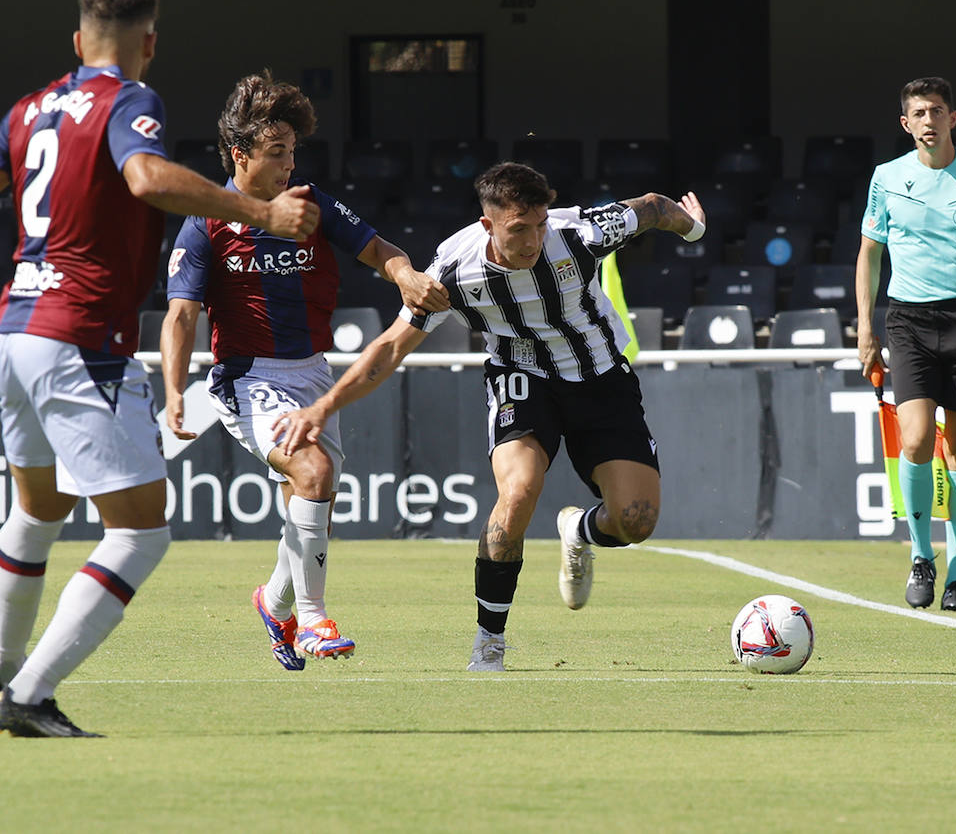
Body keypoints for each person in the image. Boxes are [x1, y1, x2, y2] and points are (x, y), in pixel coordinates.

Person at [0, 0, 319, 737]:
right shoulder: (129, 101)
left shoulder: (29, 109)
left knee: (39, 509)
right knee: (141, 531)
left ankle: (0, 672)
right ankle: (30, 696)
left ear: (77, 42)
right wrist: (259, 211)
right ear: (149, 43)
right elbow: (144, 178)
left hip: (10, 333)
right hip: (80, 337)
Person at [272, 161, 705, 671]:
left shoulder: (580, 233)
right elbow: (390, 348)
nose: (533, 240)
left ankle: (579, 532)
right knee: (518, 491)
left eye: (540, 224)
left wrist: (693, 226)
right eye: (519, 229)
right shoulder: (453, 270)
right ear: (488, 226)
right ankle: (489, 642)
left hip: (601, 378)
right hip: (522, 380)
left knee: (638, 523)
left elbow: (652, 208)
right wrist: (323, 406)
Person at [161, 71, 448, 670]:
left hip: (314, 373)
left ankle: (276, 600)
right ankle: (314, 620)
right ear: (240, 156)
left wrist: (407, 276)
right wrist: (174, 393)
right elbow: (181, 317)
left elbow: (379, 250)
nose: (289, 165)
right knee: (313, 472)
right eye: (276, 154)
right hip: (248, 380)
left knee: (309, 499)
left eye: (293, 152)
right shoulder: (204, 225)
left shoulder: (314, 205)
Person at [855, 76, 956, 613]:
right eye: (919, 113)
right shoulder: (887, 178)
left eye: (938, 111)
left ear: (953, 118)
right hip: (906, 320)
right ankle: (922, 557)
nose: (929, 120)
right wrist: (865, 327)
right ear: (906, 124)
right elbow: (869, 256)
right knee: (919, 439)